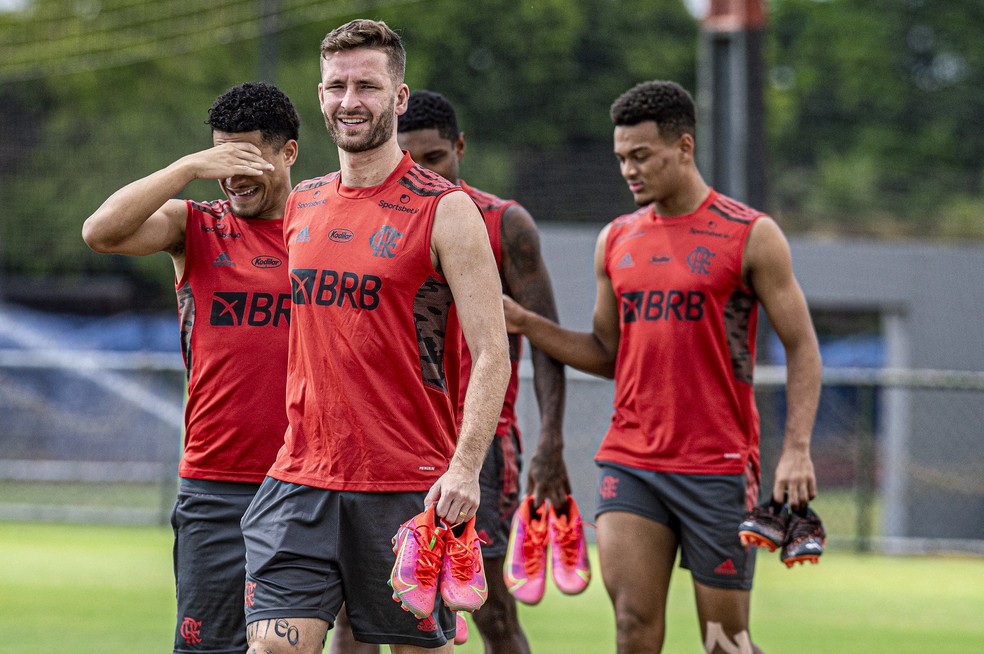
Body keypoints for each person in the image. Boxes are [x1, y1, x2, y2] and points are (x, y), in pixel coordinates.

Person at [502, 80, 823, 654]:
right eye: (621, 157)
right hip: (631, 462)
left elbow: (802, 347)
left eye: (641, 156)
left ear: (684, 146)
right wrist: (527, 323)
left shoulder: (751, 235)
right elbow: (607, 354)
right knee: (631, 629)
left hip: (718, 466)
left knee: (725, 641)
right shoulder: (616, 239)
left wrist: (796, 448)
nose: (629, 169)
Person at [239, 19, 511, 654]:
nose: (349, 101)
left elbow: (492, 351)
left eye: (367, 85)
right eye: (336, 86)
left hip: (404, 486)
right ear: (320, 94)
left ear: (400, 96)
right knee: (274, 647)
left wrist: (466, 469)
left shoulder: (446, 210)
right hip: (300, 481)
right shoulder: (301, 202)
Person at [329, 90, 571, 654]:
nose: (423, 168)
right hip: (390, 437)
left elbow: (545, 340)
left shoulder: (504, 224)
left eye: (436, 156)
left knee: (489, 610)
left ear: (460, 147)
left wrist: (551, 441)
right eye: (411, 156)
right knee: (357, 608)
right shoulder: (371, 215)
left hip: (479, 442)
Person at [81, 82, 300, 653]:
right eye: (220, 159)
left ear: (288, 153)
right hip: (216, 486)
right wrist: (187, 167)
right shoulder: (197, 226)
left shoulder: (320, 229)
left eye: (246, 157)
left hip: (307, 483)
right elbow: (100, 232)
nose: (231, 175)